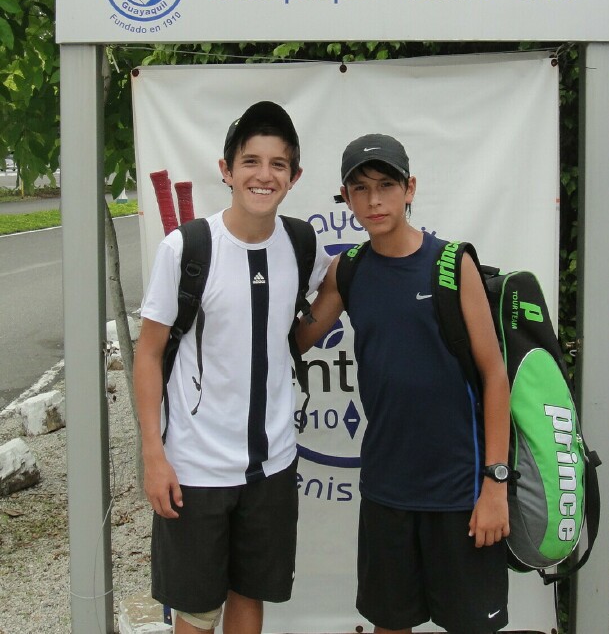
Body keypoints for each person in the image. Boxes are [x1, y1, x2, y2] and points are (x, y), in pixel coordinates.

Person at [296, 134, 511, 634]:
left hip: (460, 491)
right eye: (360, 189)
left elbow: (495, 376)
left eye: (387, 186)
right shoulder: (347, 270)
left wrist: (494, 485)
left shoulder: (452, 264)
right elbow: (297, 340)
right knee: (390, 626)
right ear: (345, 198)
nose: (374, 201)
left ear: (409, 188)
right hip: (387, 490)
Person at [134, 101, 331, 634]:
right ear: (226, 169)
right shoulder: (187, 248)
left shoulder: (299, 243)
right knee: (196, 612)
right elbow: (148, 352)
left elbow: (306, 322)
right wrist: (154, 454)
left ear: (294, 177)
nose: (263, 175)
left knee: (250, 595)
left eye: (277, 164)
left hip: (271, 465)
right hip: (195, 467)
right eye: (250, 161)